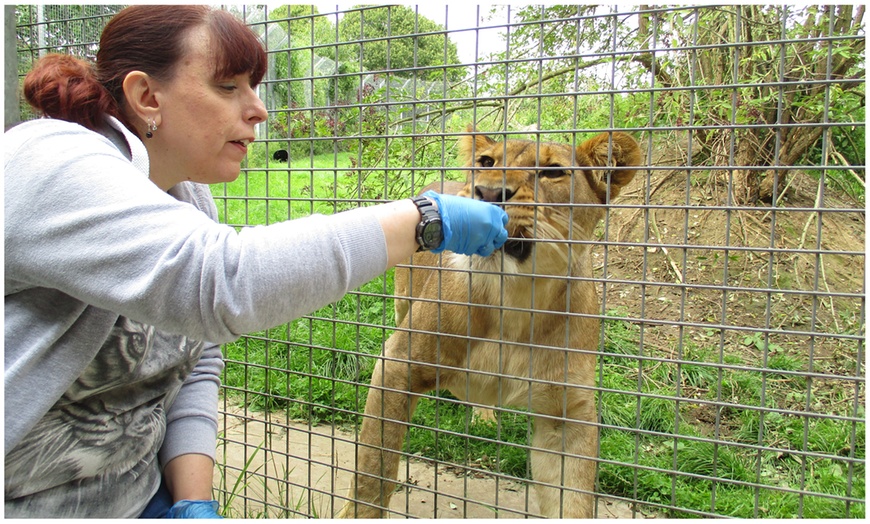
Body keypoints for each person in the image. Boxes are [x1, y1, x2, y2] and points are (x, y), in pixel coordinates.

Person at [4, 5, 508, 518]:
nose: (259, 109)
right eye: (229, 87)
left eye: (255, 86)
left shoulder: (188, 195)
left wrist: (193, 500)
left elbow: (196, 358)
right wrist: (423, 221)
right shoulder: (49, 158)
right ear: (146, 96)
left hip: (139, 497)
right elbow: (218, 283)